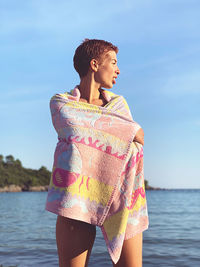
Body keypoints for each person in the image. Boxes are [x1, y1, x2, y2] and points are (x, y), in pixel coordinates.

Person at [45, 39, 148, 267]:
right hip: (76, 197)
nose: (118, 70)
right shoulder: (61, 104)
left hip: (124, 197)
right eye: (113, 62)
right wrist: (124, 132)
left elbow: (138, 135)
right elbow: (127, 131)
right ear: (94, 64)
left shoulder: (119, 105)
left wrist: (126, 132)